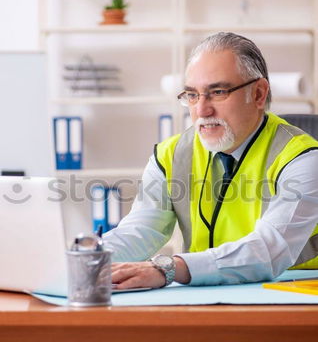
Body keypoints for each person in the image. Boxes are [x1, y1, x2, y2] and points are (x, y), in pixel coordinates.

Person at [102, 32, 318, 290]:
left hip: (291, 297)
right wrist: (90, 259)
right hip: (202, 295)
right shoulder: (170, 156)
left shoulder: (302, 158)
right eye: (192, 95)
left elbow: (269, 250)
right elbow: (140, 231)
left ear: (259, 94)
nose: (202, 110)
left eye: (217, 92)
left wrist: (169, 268)